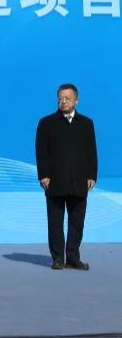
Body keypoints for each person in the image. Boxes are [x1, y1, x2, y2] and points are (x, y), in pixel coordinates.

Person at [35, 83, 98, 271]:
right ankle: (57, 258)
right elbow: (41, 152)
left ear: (76, 100)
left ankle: (73, 257)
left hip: (79, 180)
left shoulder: (86, 123)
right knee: (55, 221)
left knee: (77, 222)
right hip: (54, 181)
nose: (63, 101)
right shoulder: (46, 123)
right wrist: (43, 175)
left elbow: (91, 152)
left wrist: (92, 175)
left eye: (67, 98)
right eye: (60, 98)